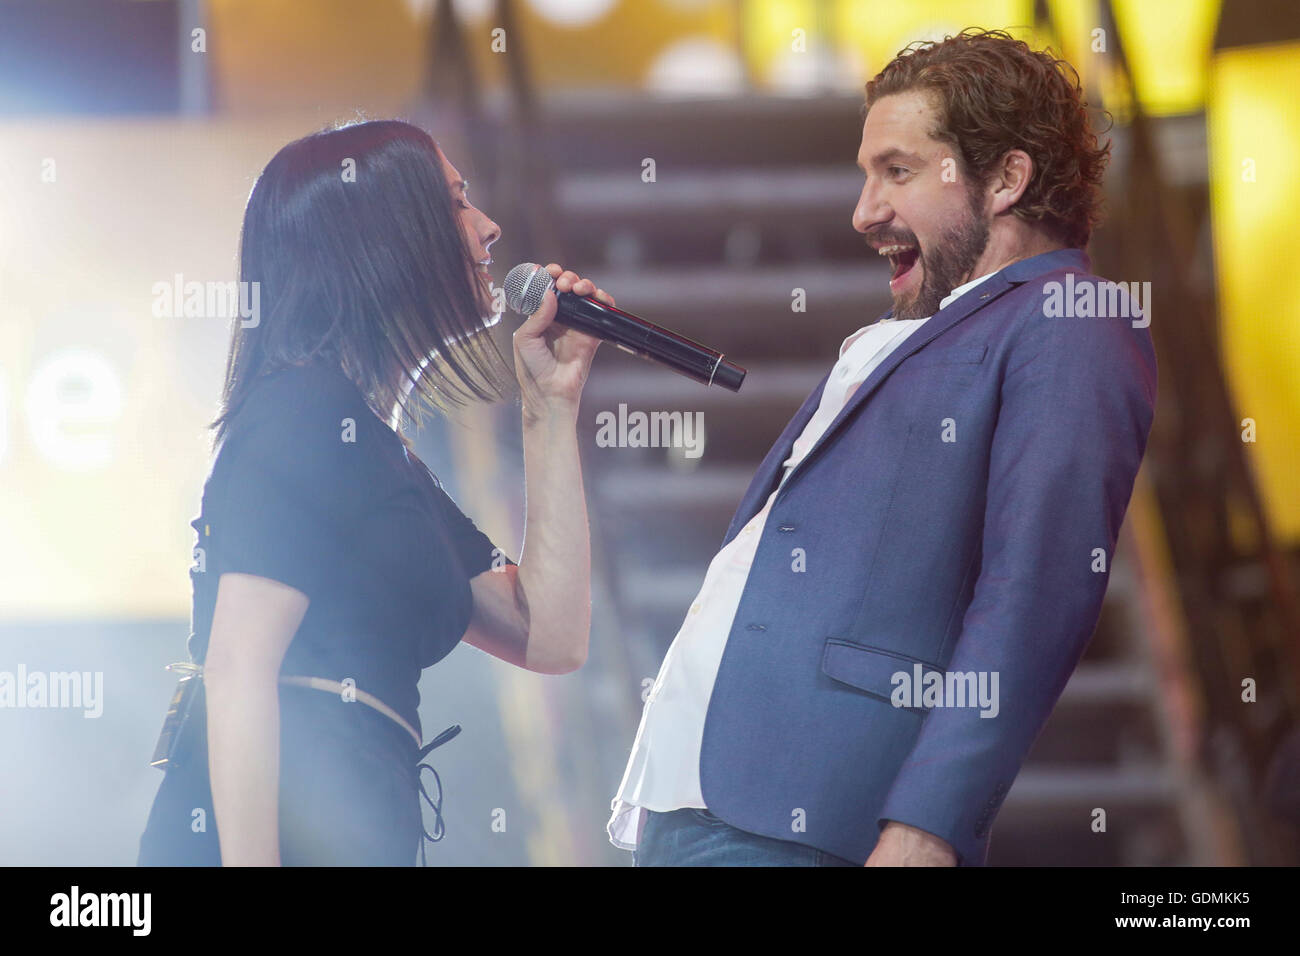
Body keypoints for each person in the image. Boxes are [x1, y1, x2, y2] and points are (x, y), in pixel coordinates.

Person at [610, 28, 1157, 867]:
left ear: (1006, 179)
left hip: (808, 824)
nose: (864, 213)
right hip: (701, 807)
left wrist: (931, 822)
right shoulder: (924, 327)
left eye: (897, 172)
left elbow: (1039, 592)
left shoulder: (1064, 320)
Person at [137, 119, 612, 866]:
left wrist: (550, 405)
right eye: (456, 203)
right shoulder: (304, 411)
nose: (488, 230)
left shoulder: (382, 457)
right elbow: (239, 666)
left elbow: (550, 636)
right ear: (384, 237)